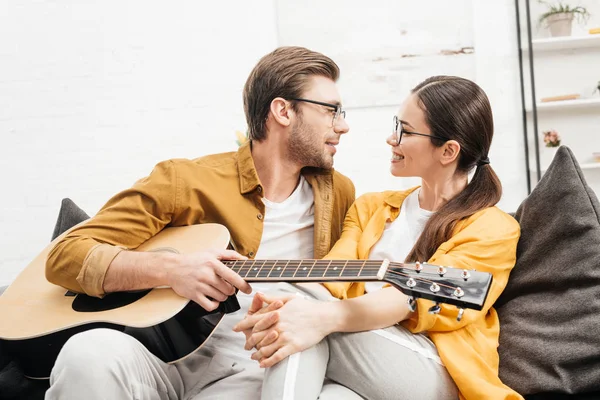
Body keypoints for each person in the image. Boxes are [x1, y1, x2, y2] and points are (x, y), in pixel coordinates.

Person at [43, 46, 356, 400]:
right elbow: (66, 254)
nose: (343, 126)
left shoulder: (338, 193)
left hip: (258, 369)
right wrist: (171, 270)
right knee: (86, 353)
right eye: (331, 111)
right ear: (283, 111)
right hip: (164, 358)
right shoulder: (186, 181)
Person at [234, 76, 523, 400]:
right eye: (395, 125)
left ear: (448, 151)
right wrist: (272, 303)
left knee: (307, 314)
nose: (391, 138)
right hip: (363, 361)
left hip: (436, 371)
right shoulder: (373, 207)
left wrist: (317, 315)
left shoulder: (493, 229)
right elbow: (330, 278)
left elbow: (409, 299)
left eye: (406, 131)